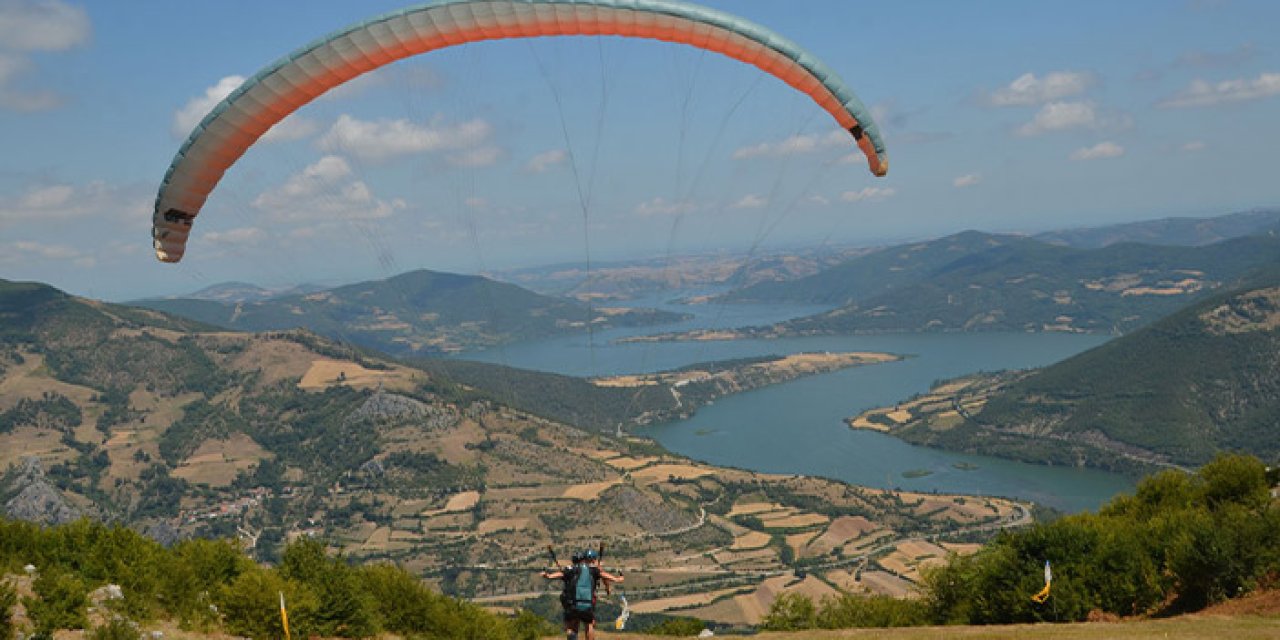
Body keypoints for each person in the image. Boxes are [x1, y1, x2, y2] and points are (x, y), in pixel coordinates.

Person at [541, 548, 623, 640]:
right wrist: (617, 579)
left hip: (573, 603)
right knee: (589, 625)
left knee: (571, 626)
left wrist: (548, 576)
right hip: (587, 603)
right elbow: (604, 576)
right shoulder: (593, 570)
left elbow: (560, 574)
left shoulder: (571, 569)